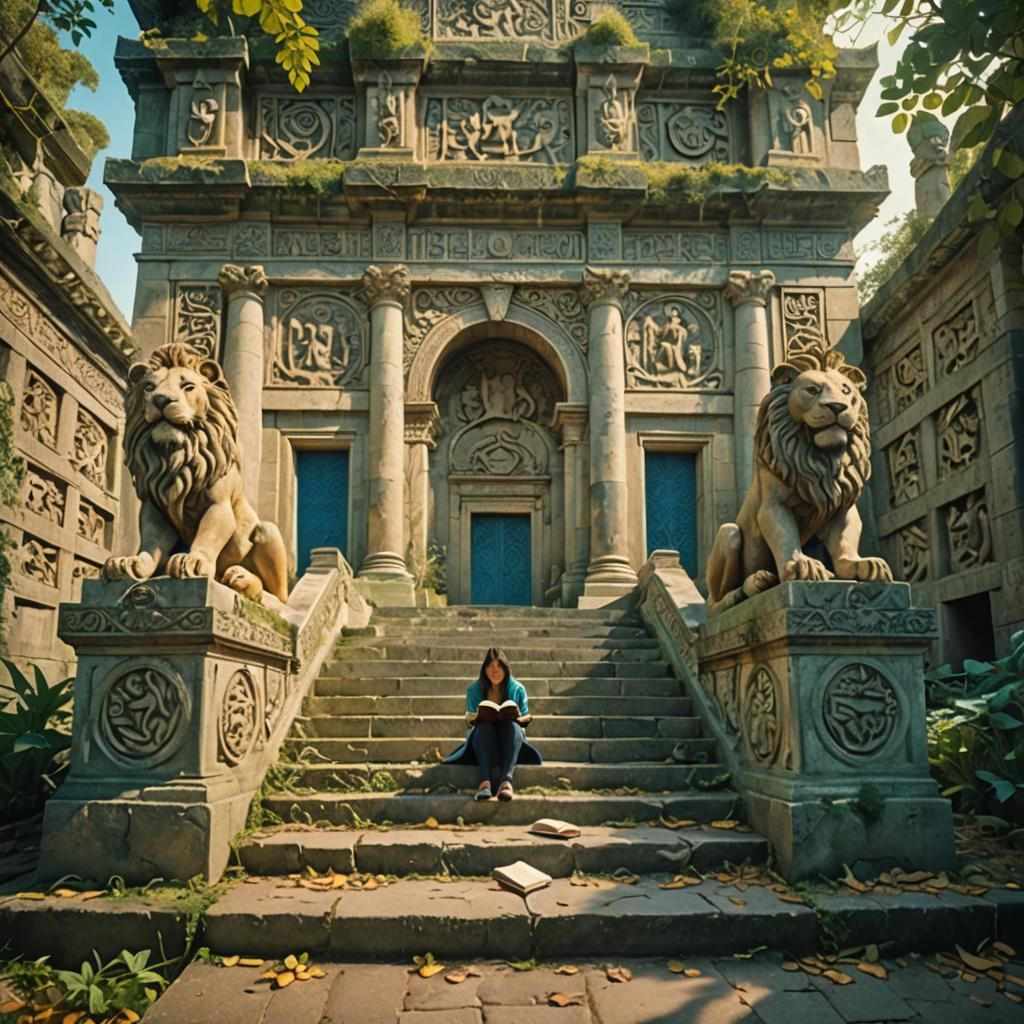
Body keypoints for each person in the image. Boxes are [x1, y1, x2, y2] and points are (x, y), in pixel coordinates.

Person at [443, 646, 542, 801]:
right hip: (483, 744)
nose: (495, 671)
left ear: (505, 668)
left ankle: (506, 783)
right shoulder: (474, 689)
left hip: (510, 744)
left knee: (512, 726)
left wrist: (519, 719)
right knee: (483, 727)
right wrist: (473, 718)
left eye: (499, 666)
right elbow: (470, 717)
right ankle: (485, 783)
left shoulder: (518, 689)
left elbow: (524, 715)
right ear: (484, 669)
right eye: (490, 666)